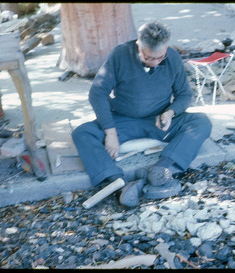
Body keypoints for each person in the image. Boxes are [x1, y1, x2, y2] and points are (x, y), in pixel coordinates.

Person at [72, 21, 212, 207]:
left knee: (201, 122)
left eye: (160, 57)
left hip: (159, 121)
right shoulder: (120, 54)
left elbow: (184, 94)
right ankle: (117, 184)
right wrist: (110, 132)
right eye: (148, 58)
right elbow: (97, 93)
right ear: (138, 46)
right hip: (123, 120)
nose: (155, 62)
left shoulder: (173, 58)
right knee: (82, 133)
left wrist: (170, 113)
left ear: (166, 48)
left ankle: (163, 169)